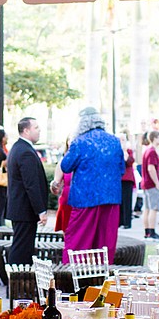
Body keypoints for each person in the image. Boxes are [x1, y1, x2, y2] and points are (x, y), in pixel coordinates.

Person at [60, 107, 125, 264]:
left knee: (78, 241)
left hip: (85, 198)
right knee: (105, 242)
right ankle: (101, 278)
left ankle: (71, 276)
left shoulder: (80, 142)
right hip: (111, 198)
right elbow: (121, 169)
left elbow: (65, 166)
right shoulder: (115, 141)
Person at [7, 116, 49, 265]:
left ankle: (19, 283)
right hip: (24, 210)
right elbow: (31, 184)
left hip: (21, 209)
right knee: (21, 251)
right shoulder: (25, 151)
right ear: (26, 130)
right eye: (36, 128)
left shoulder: (19, 148)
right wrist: (41, 210)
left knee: (23, 249)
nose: (39, 131)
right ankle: (15, 284)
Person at [140, 129, 159, 240]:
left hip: (145, 183)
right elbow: (151, 168)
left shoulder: (146, 150)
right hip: (151, 183)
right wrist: (157, 183)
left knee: (147, 208)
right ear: (155, 138)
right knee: (153, 208)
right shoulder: (152, 151)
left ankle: (147, 231)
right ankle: (152, 231)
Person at [119, 135, 136, 230]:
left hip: (127, 179)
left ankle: (127, 222)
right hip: (119, 179)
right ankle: (120, 221)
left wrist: (125, 152)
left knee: (127, 201)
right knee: (119, 201)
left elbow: (130, 161)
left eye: (123, 140)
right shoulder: (115, 151)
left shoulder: (128, 151)